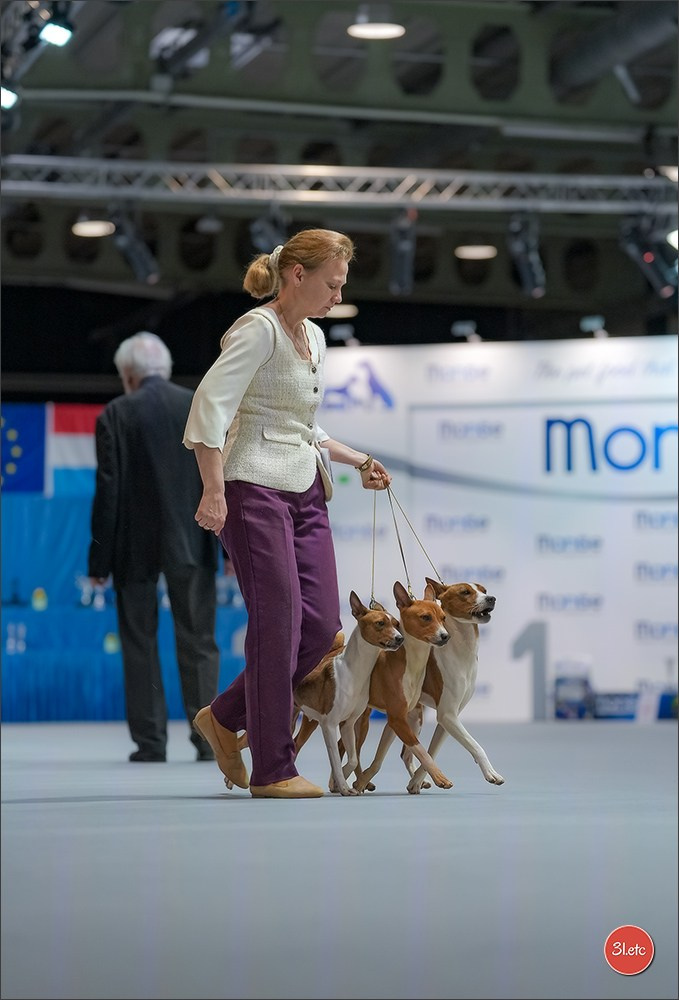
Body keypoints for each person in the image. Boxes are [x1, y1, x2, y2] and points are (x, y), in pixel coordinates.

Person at [183, 228, 392, 799]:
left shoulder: (316, 339)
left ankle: (224, 717)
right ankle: (273, 768)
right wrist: (213, 491)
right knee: (277, 626)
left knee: (323, 629)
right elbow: (209, 409)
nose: (336, 295)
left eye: (341, 285)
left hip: (305, 489)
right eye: (331, 283)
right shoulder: (257, 330)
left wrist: (357, 459)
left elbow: (304, 427)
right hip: (251, 486)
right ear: (297, 275)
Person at [89, 332, 221, 763]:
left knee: (139, 642)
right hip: (195, 536)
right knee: (199, 640)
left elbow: (108, 491)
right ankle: (208, 740)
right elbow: (220, 479)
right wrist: (230, 547)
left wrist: (99, 559)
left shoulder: (115, 413)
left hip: (135, 548)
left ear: (128, 374)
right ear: (163, 369)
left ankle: (150, 742)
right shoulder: (195, 404)